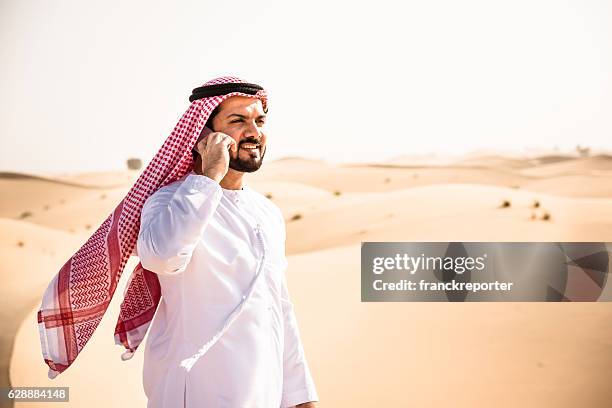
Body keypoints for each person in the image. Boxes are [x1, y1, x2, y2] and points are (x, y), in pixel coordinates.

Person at [136, 92, 318, 407]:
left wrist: (301, 396)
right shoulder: (169, 202)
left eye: (259, 121)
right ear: (203, 135)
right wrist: (208, 178)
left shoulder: (267, 212)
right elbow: (162, 257)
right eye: (238, 121)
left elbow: (279, 309)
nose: (254, 132)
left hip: (264, 393)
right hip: (194, 393)